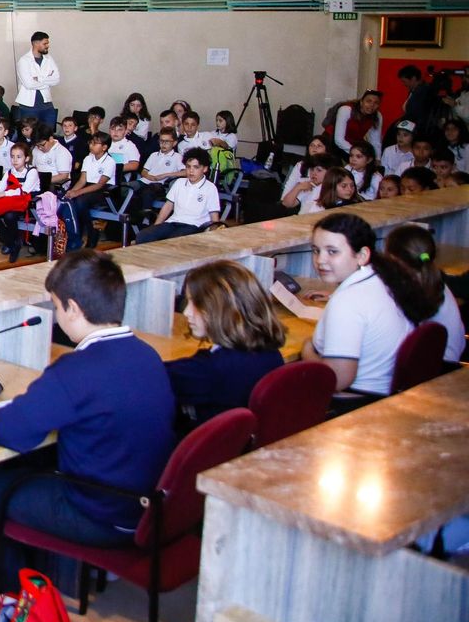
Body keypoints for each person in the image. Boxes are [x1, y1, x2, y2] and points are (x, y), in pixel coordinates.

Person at [0, 250, 174, 584]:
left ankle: (15, 593)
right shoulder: (146, 354)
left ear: (73, 308)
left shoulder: (77, 370)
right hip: (144, 506)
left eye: (56, 306)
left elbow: (6, 432)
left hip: (100, 514)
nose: (56, 317)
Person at [303, 212, 433, 407]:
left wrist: (307, 353)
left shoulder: (348, 302)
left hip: (354, 405)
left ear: (362, 255)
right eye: (315, 250)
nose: (320, 260)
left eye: (332, 251)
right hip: (387, 395)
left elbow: (338, 380)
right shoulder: (384, 278)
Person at [167, 262, 285, 429]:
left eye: (195, 303)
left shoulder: (209, 370)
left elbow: (155, 377)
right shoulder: (270, 351)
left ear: (219, 309)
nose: (186, 312)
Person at [383, 224, 466, 363]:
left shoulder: (411, 290)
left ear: (394, 259)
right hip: (447, 362)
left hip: (435, 369)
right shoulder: (432, 280)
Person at [135, 148, 220, 243]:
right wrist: (156, 227)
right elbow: (167, 206)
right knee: (143, 236)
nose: (191, 171)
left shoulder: (210, 188)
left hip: (194, 226)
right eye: (188, 167)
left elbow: (214, 215)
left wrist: (214, 237)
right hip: (172, 222)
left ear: (205, 169)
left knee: (172, 241)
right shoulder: (179, 182)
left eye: (196, 167)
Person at [0, 142, 41, 263]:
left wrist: (2, 194)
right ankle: (12, 242)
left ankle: (12, 244)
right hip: (10, 201)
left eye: (18, 157)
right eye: (12, 156)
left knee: (10, 216)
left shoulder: (32, 172)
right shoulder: (9, 172)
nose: (15, 160)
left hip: (26, 202)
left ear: (27, 158)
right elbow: (0, 188)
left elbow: (23, 192)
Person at [63, 132, 117, 248]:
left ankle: (90, 232)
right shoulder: (88, 158)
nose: (91, 145)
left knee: (80, 201)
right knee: (71, 200)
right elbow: (82, 181)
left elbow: (99, 184)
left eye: (95, 143)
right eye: (91, 143)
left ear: (104, 147)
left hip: (103, 190)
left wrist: (77, 193)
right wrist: (72, 191)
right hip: (88, 187)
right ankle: (79, 235)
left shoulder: (110, 161)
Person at [14, 31, 61, 131]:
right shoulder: (24, 61)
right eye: (45, 43)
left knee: (48, 134)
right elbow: (29, 84)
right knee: (30, 135)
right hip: (28, 106)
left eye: (47, 43)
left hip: (47, 105)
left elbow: (56, 79)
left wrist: (38, 79)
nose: (47, 46)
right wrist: (47, 79)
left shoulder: (49, 59)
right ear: (36, 43)